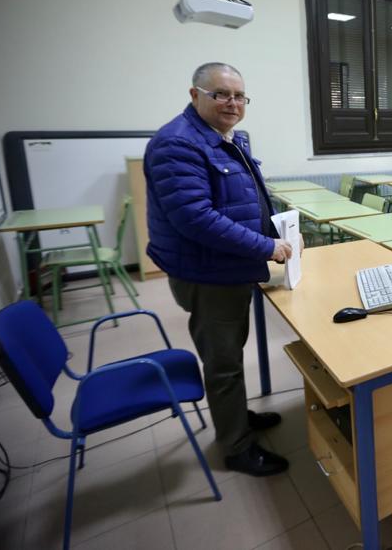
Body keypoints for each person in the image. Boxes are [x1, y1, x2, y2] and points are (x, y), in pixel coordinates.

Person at [144, 62, 292, 476]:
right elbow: (196, 219)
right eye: (221, 94)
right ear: (195, 95)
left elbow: (245, 199)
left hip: (226, 268)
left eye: (239, 96)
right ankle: (236, 447)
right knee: (223, 363)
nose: (232, 103)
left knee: (229, 354)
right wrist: (266, 246)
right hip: (208, 274)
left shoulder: (224, 137)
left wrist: (276, 230)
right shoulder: (178, 143)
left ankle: (236, 418)